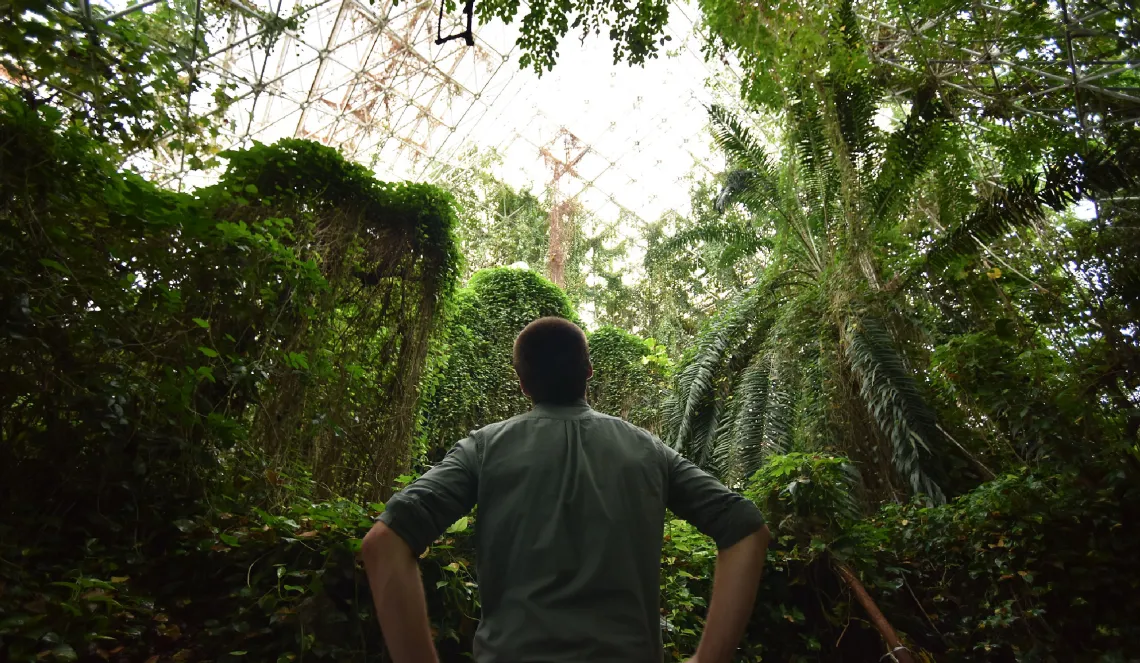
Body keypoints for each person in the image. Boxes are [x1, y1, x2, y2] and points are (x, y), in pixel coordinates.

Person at [362, 316, 770, 663]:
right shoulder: (648, 451)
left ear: (522, 382)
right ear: (588, 371)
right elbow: (745, 526)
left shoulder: (484, 450)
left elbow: (385, 543)